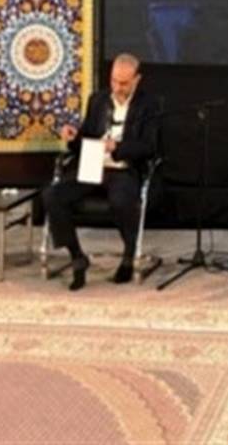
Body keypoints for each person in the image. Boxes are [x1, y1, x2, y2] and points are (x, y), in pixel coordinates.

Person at [43, 53, 162, 291]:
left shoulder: (148, 105)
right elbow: (86, 139)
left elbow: (150, 147)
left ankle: (129, 254)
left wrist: (117, 147)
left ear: (136, 80)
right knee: (52, 195)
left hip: (123, 168)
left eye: (124, 83)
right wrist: (73, 138)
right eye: (114, 81)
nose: (117, 87)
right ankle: (77, 257)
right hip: (92, 165)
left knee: (121, 200)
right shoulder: (97, 100)